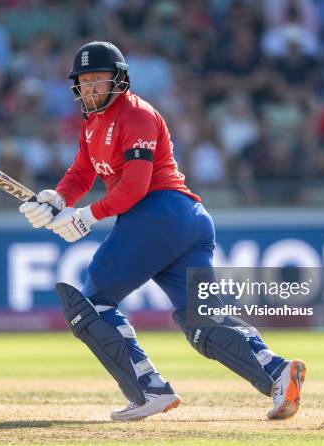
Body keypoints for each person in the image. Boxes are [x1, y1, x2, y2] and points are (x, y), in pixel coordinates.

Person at [19, 41, 306, 421]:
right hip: (185, 222)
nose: (89, 89)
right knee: (201, 319)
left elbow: (135, 187)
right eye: (84, 82)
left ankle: (149, 389)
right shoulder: (91, 125)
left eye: (97, 80)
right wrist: (57, 197)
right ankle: (278, 372)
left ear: (119, 80)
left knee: (93, 303)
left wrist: (87, 216)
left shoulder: (135, 115)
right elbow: (82, 173)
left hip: (160, 212)